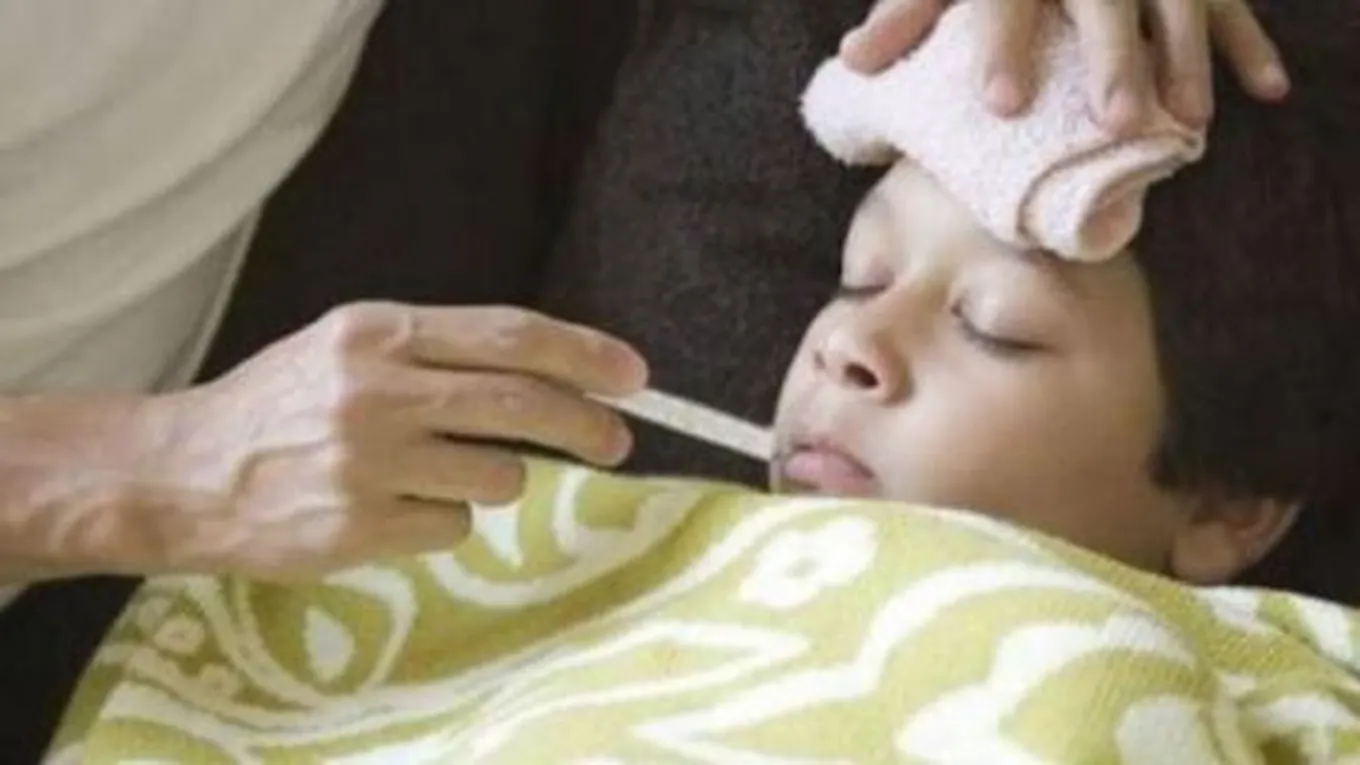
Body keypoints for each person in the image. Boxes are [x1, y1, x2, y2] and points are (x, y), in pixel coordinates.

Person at [0, 0, 1298, 758]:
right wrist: (140, 474)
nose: (837, 343)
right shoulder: (498, 579)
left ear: (1232, 505)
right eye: (851, 279)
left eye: (994, 325)